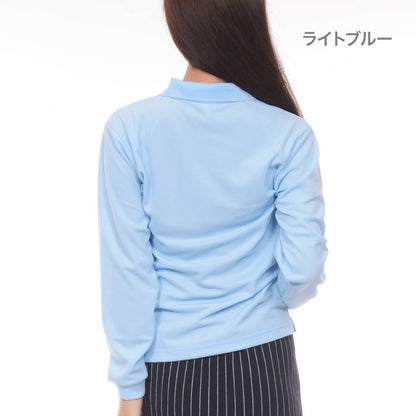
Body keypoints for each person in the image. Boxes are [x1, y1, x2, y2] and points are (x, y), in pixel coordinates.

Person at [97, 1, 328, 415]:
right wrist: (263, 306)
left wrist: (129, 390)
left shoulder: (129, 129)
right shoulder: (289, 133)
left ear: (179, 23)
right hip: (264, 363)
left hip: (170, 370)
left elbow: (128, 272)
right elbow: (304, 268)